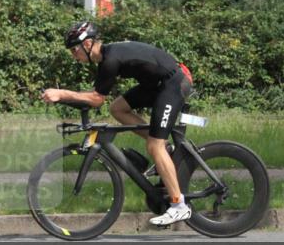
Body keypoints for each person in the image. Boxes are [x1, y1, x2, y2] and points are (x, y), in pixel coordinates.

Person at [41, 21, 195, 226]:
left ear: (87, 44)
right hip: (158, 84)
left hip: (173, 83)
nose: (73, 55)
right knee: (118, 108)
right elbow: (97, 98)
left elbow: (96, 99)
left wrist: (61, 94)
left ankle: (179, 205)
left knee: (153, 146)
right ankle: (166, 149)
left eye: (74, 49)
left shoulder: (110, 60)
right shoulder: (106, 58)